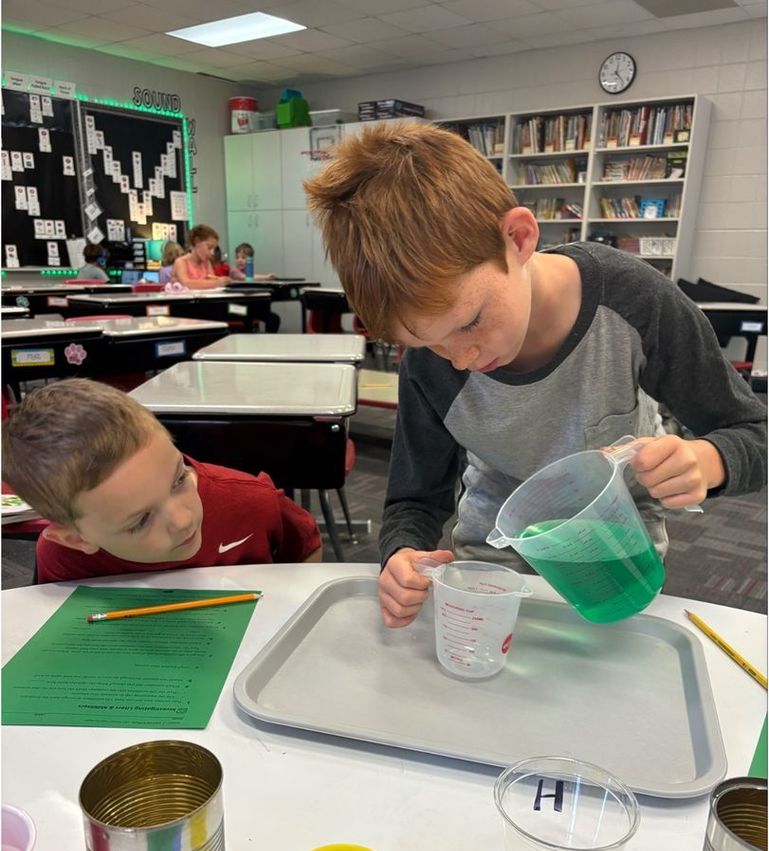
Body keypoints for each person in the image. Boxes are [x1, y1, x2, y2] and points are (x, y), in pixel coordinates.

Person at [304, 121, 767, 628]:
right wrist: (401, 553)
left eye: (470, 322)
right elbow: (414, 496)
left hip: (613, 562)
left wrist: (708, 459)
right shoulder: (430, 365)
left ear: (519, 238)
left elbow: (755, 435)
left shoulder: (635, 301)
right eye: (429, 342)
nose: (461, 359)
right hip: (493, 567)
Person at [2, 379, 322, 584]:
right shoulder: (62, 559)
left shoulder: (251, 502)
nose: (183, 521)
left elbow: (306, 548)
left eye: (179, 479)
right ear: (77, 539)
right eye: (141, 520)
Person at [172, 224, 228, 289]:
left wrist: (221, 280)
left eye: (214, 249)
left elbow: (212, 281)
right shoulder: (181, 262)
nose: (212, 253)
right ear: (197, 241)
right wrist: (217, 282)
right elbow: (186, 283)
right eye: (209, 248)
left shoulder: (206, 263)